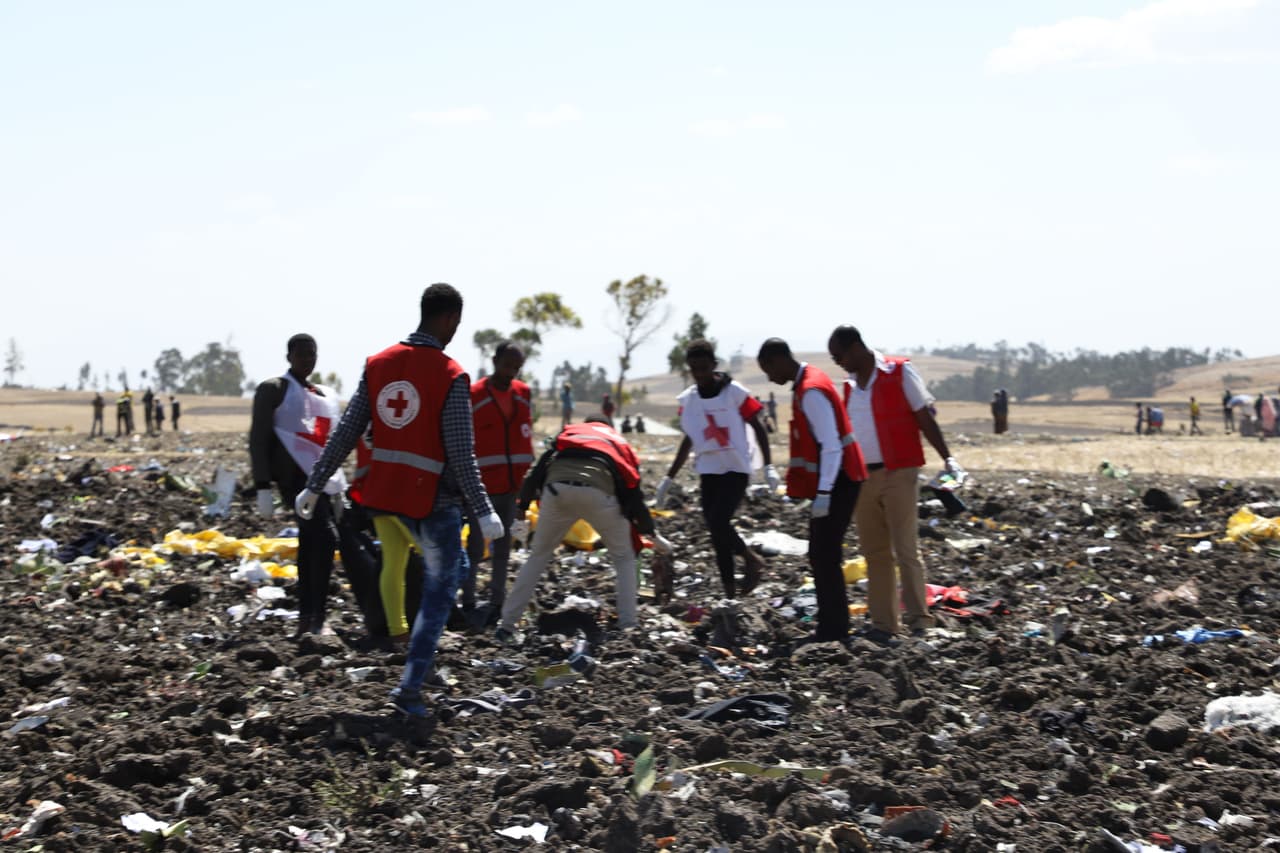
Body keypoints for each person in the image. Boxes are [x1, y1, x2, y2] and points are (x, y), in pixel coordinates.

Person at [296, 283, 503, 719]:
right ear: (449, 319)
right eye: (457, 323)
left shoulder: (378, 365)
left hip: (386, 496)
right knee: (440, 593)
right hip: (434, 502)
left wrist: (314, 484)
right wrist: (484, 509)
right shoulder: (451, 374)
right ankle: (410, 688)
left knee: (446, 570)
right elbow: (461, 452)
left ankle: (418, 663)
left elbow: (347, 431)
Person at [829, 325, 961, 642]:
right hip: (863, 477)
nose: (839, 363)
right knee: (875, 552)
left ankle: (919, 620)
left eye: (839, 356)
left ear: (855, 348)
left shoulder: (899, 372)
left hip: (899, 471)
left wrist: (947, 458)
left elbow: (924, 416)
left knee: (905, 548)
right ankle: (884, 624)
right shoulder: (849, 387)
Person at [498, 417, 671, 641]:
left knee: (538, 556)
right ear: (608, 427)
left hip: (556, 490)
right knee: (623, 557)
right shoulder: (616, 442)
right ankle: (628, 625)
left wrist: (522, 509)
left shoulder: (570, 434)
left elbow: (536, 472)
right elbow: (633, 491)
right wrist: (651, 532)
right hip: (598, 492)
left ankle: (507, 625)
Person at [758, 337, 867, 643]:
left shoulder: (810, 391)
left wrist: (824, 493)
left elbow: (831, 446)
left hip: (840, 479)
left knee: (824, 555)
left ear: (779, 360)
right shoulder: (808, 383)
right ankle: (832, 625)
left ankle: (833, 629)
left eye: (768, 369)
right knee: (823, 554)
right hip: (839, 479)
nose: (769, 378)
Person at [249, 334, 348, 637]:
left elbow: (329, 440)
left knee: (312, 544)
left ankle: (309, 616)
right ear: (289, 356)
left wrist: (339, 485)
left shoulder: (322, 395)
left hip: (321, 481)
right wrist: (262, 485)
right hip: (293, 480)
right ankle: (315, 616)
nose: (307, 360)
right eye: (302, 354)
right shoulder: (274, 390)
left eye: (312, 354)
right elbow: (258, 437)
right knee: (325, 539)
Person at [657, 340, 772, 597]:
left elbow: (758, 426)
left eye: (704, 367)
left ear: (714, 365)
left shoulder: (734, 393)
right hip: (709, 469)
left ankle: (751, 559)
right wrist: (668, 478)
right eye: (694, 369)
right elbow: (690, 437)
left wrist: (769, 465)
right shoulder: (689, 400)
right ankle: (729, 593)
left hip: (736, 467)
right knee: (716, 530)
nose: (699, 374)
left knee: (719, 521)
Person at [463, 340, 533, 622]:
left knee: (503, 547)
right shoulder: (474, 395)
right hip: (481, 487)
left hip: (511, 485)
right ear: (494, 362)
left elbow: (525, 436)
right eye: (506, 366)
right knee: (475, 546)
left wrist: (526, 482)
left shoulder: (523, 394)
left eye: (516, 367)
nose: (510, 372)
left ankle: (497, 601)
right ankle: (468, 601)